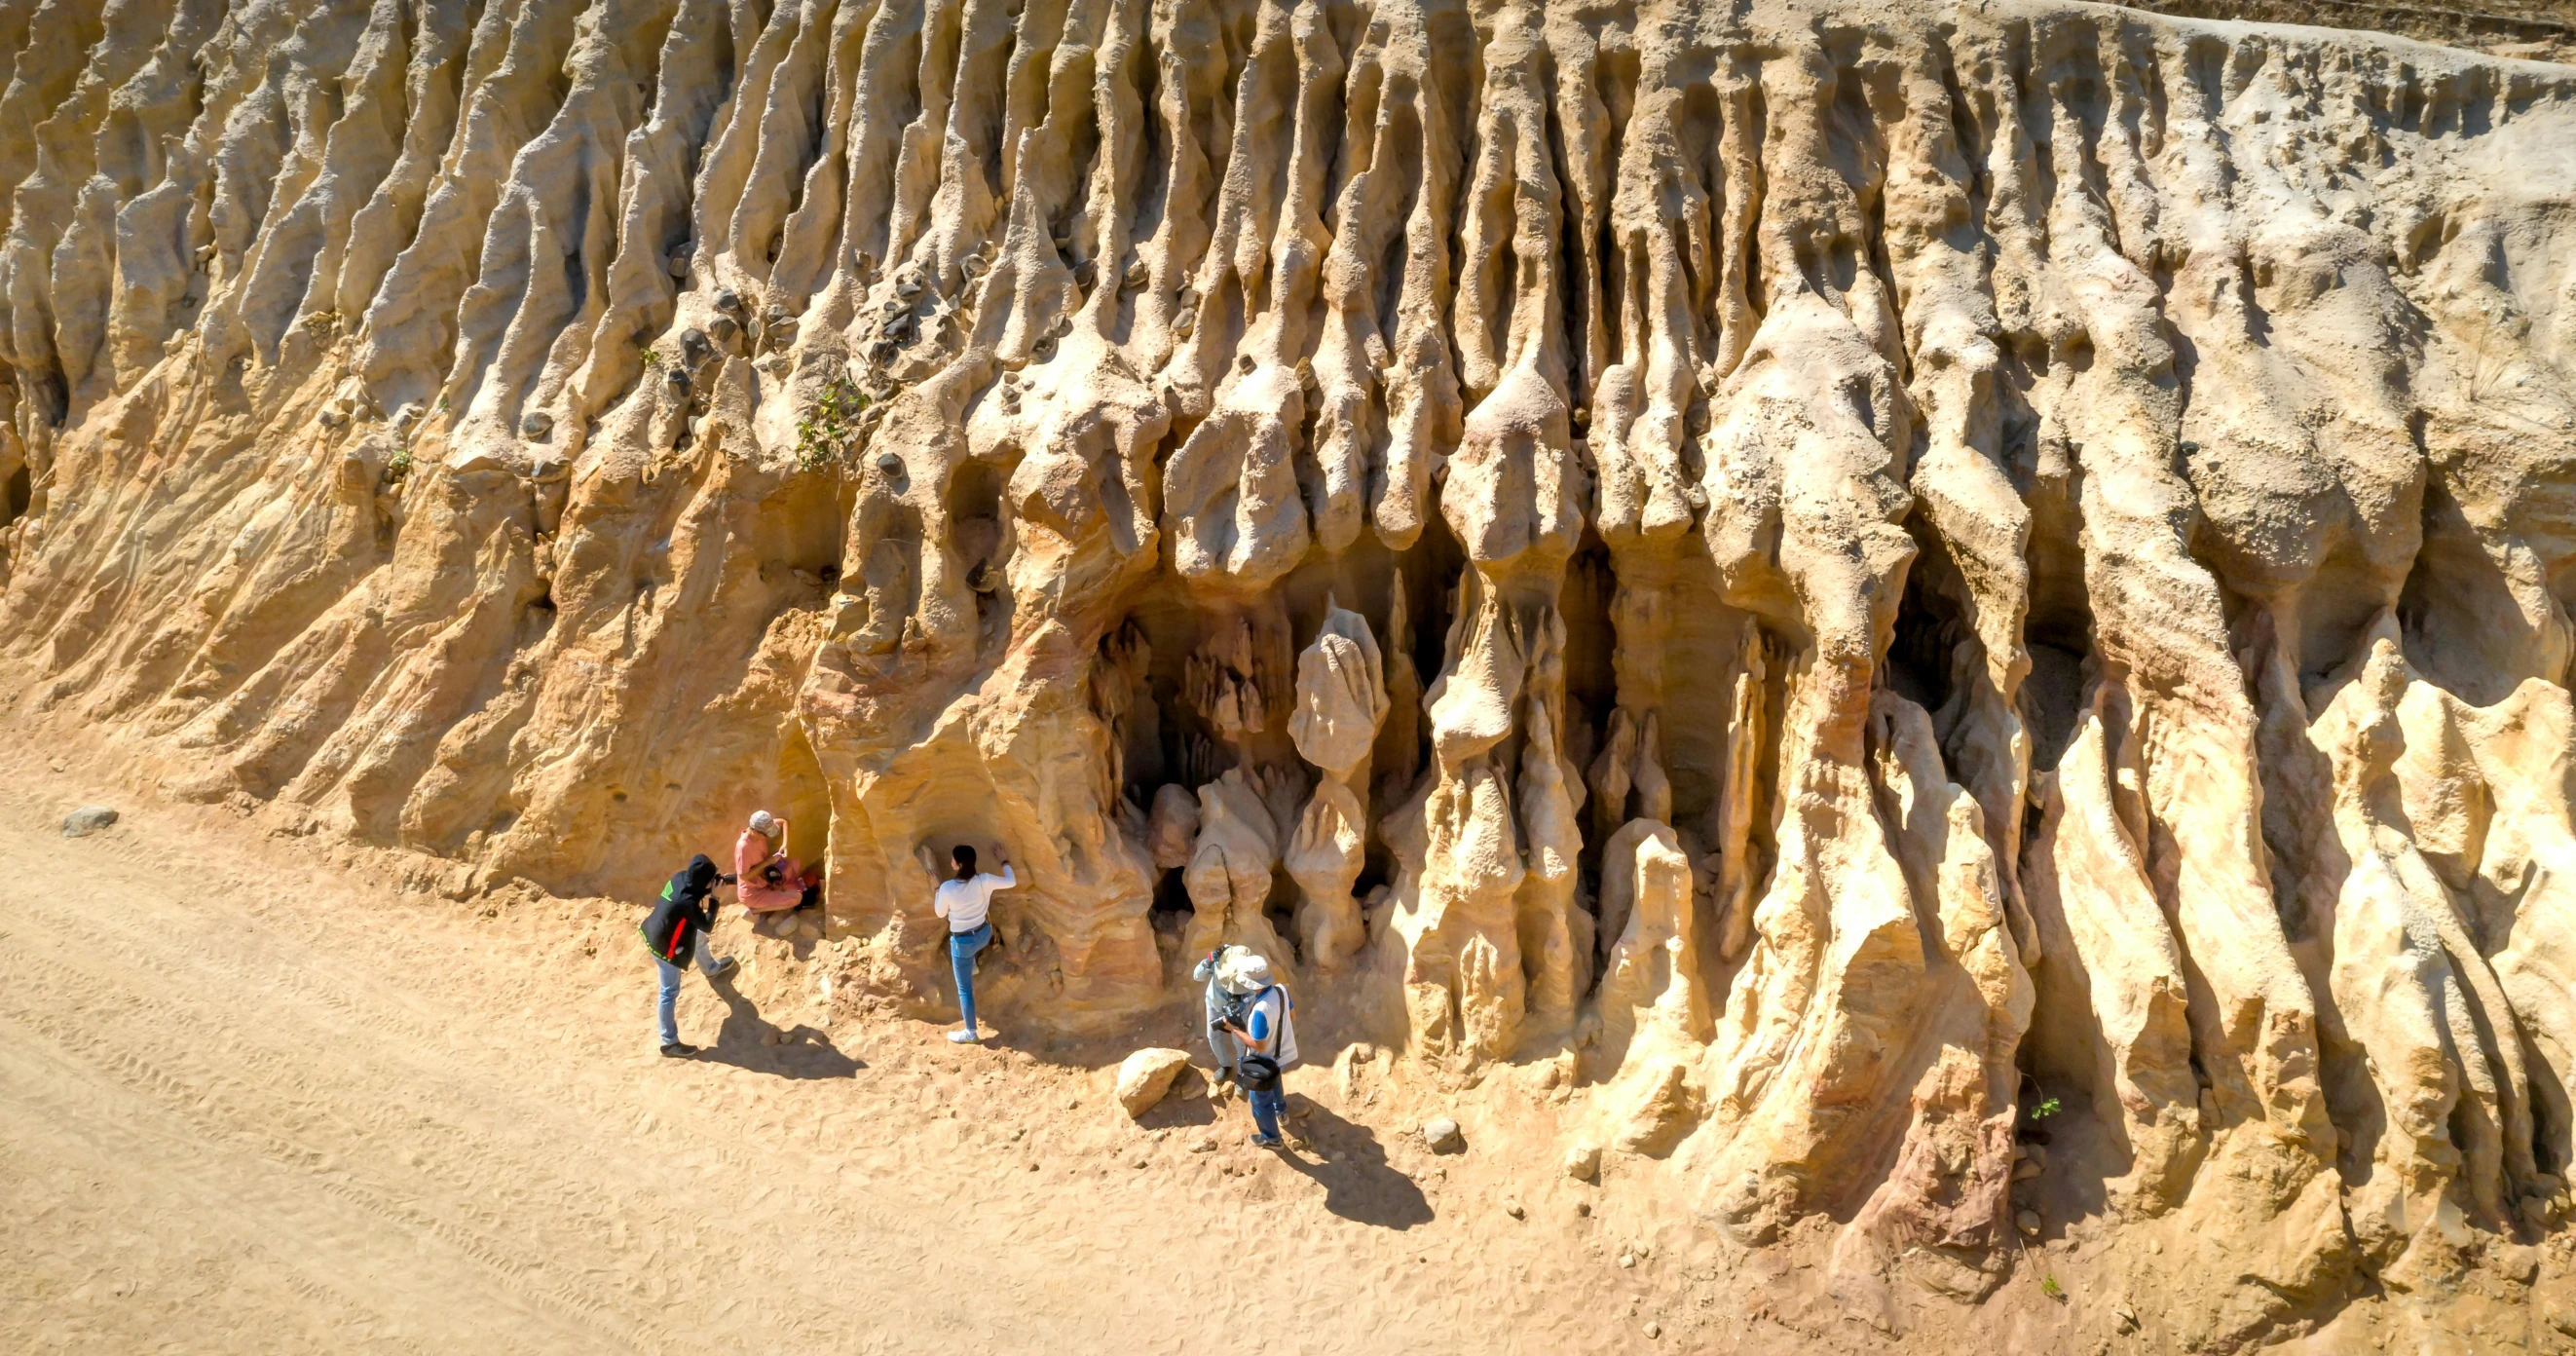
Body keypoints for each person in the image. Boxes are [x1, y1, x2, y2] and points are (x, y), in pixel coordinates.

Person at [641, 853, 740, 1057]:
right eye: (713, 879)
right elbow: (707, 924)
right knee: (669, 992)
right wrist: (715, 898)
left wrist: (727, 880)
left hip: (654, 927)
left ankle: (711, 969)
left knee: (698, 936)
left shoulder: (681, 877)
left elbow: (696, 892)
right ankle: (668, 1043)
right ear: (704, 883)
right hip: (663, 947)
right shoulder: (686, 902)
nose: (715, 880)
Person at [933, 843, 1015, 1044]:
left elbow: (939, 913)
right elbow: (1011, 881)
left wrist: (936, 888)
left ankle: (970, 1033)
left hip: (962, 943)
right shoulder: (984, 880)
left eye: (953, 859)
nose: (951, 861)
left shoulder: (947, 888)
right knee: (972, 950)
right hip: (984, 934)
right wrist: (1004, 860)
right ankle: (973, 964)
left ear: (957, 864)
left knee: (965, 990)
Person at [1212, 952, 1296, 1147]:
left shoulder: (1260, 1011)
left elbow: (1259, 1045)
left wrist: (1232, 1028)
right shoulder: (1282, 990)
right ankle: (1281, 1111)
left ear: (1250, 984)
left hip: (1265, 1060)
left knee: (1259, 1101)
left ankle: (1272, 1138)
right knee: (1276, 1081)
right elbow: (1291, 1016)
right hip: (1284, 1052)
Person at [736, 810, 821, 915]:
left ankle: (776, 893)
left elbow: (783, 822)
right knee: (796, 898)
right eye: (766, 835)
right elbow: (744, 876)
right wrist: (768, 862)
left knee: (794, 864)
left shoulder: (761, 828)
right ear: (756, 831)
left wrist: (784, 844)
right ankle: (754, 911)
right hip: (753, 892)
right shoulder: (743, 847)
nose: (767, 837)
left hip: (766, 880)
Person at [1192, 945, 1250, 1086]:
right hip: (1214, 1004)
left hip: (1238, 1012)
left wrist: (1240, 1006)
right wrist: (1208, 962)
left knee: (1240, 1043)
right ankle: (1225, 1065)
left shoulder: (1249, 971)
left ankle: (1242, 1073)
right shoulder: (1220, 960)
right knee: (1213, 1037)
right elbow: (1197, 976)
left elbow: (1252, 995)